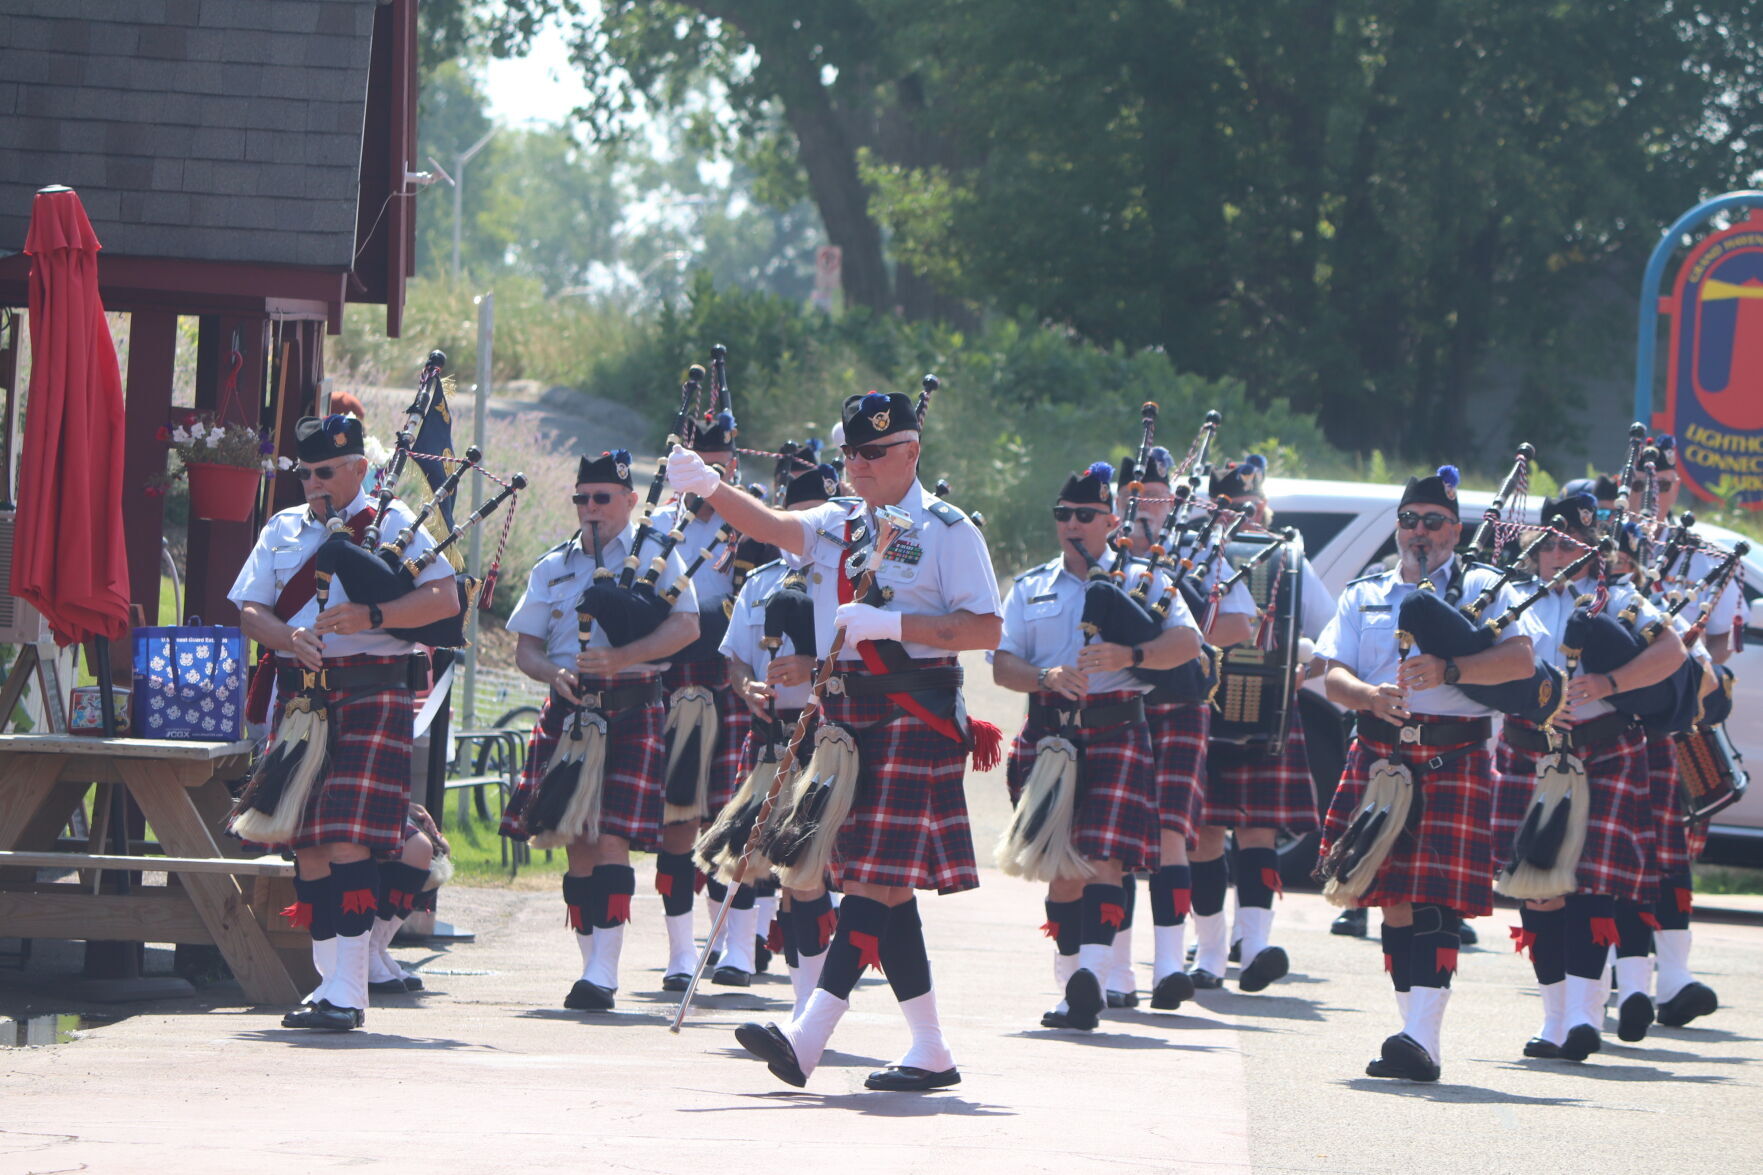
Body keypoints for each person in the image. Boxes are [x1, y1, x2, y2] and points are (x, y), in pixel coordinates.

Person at [668, 389, 1002, 1092]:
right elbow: (770, 523)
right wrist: (708, 484)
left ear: (911, 451)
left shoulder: (947, 530)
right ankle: (930, 1048)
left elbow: (983, 629)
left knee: (875, 879)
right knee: (880, 886)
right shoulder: (838, 522)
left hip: (913, 712)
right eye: (851, 452)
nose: (859, 465)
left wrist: (897, 627)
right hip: (844, 721)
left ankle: (807, 1035)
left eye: (874, 452)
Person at [230, 414, 460, 1031]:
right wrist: (288, 636)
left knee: (345, 840)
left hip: (371, 694)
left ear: (360, 467)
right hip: (301, 699)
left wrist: (373, 614)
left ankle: (349, 993)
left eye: (326, 471)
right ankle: (329, 985)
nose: (313, 482)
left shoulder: (394, 524)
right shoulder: (282, 529)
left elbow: (445, 601)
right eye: (305, 472)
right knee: (304, 843)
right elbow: (251, 610)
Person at [1314, 465, 1535, 1082]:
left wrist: (1453, 674)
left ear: (1454, 530)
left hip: (1453, 755)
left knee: (1434, 902)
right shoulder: (1365, 593)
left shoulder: (1486, 591)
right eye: (1408, 520)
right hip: (1381, 755)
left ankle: (1423, 1038)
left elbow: (1520, 661)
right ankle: (1412, 1033)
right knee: (1394, 903)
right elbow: (1332, 673)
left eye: (1432, 522)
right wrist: (1366, 695)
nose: (1419, 531)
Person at [993, 461, 1203, 1030]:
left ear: (1111, 521)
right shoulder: (1031, 587)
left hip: (1117, 730)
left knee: (1104, 857)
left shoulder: (1144, 580)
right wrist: (1045, 678)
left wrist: (1129, 657)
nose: (1072, 524)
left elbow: (1187, 643)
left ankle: (1092, 975)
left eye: (1085, 515)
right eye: (1063, 514)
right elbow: (1003, 665)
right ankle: (1071, 985)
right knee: (1063, 871)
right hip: (1049, 735)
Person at [500, 451, 700, 1012]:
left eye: (603, 498)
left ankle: (604, 973)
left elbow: (687, 627)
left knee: (609, 836)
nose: (590, 509)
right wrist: (551, 673)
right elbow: (527, 648)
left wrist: (624, 658)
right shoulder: (553, 566)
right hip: (570, 710)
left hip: (632, 705)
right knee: (576, 843)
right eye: (582, 498)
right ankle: (592, 963)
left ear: (631, 502)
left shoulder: (660, 556)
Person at [1495, 494, 1685, 1059]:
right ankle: (1554, 1020)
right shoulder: (1509, 598)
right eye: (1548, 544)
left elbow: (1673, 652)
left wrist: (1609, 684)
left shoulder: (1621, 599)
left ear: (1591, 549)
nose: (1557, 555)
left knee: (1590, 889)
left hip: (1602, 750)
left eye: (1569, 545)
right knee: (1539, 893)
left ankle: (1583, 1017)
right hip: (1530, 751)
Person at [1192, 456, 1337, 992]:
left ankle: (1253, 946)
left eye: (1250, 508)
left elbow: (1332, 634)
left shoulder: (1291, 563)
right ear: (1211, 509)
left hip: (1269, 710)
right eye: (1228, 508)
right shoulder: (1197, 557)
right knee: (1203, 834)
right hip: (1206, 709)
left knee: (1258, 830)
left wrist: (1307, 670)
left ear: (1266, 510)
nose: (1241, 518)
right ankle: (1208, 953)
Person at [1118, 446, 1254, 1006]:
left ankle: (1172, 965)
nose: (1145, 509)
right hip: (1116, 705)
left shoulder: (1199, 552)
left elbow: (1241, 626)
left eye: (1154, 498)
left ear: (1171, 502)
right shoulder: (1103, 553)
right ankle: (1114, 972)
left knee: (1173, 833)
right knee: (1114, 840)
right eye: (1133, 498)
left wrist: (1180, 632)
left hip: (1178, 705)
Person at [1613, 442, 1736, 1027]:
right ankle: (1618, 968)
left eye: (1662, 484)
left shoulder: (1700, 554)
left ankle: (1674, 977)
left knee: (1670, 853)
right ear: (1623, 484)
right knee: (1616, 848)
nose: (1652, 494)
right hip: (1614, 719)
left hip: (1678, 721)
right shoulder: (1605, 542)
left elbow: (1719, 655)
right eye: (1641, 483)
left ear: (1676, 489)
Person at [713, 461, 839, 1012]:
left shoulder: (854, 584)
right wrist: (747, 688)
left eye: (824, 517)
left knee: (807, 874)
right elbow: (737, 660)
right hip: (772, 737)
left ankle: (810, 1004)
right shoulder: (760, 584)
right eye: (803, 515)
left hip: (833, 741)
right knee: (752, 858)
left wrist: (815, 672)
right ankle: (772, 980)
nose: (813, 527)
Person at [648, 417, 759, 987]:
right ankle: (679, 955)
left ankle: (737, 948)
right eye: (698, 466)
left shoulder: (753, 522)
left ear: (732, 466)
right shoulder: (662, 524)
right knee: (676, 825)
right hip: (675, 681)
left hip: (732, 678)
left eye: (718, 465)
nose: (707, 476)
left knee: (730, 819)